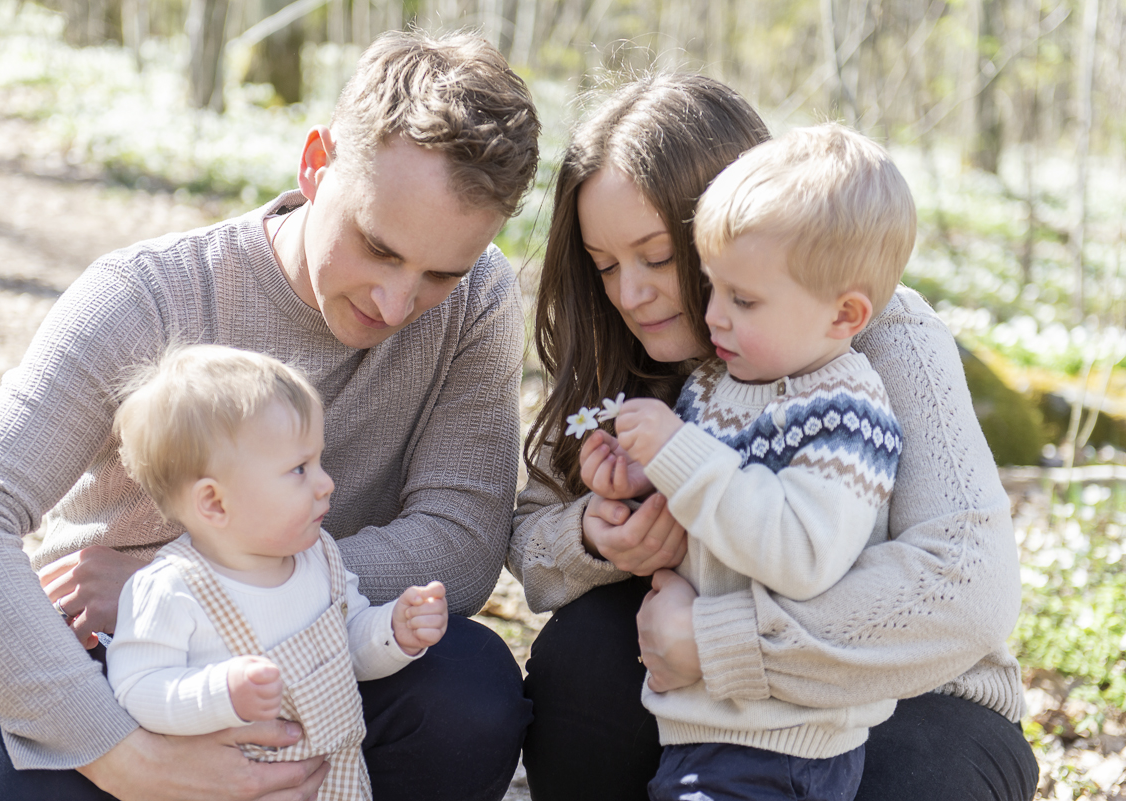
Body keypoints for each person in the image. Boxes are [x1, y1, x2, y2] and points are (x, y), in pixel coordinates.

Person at [0, 29, 538, 801]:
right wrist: (126, 758)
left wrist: (199, 581)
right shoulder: (148, 295)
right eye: (377, 248)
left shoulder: (478, 300)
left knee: (470, 695)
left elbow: (462, 541)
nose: (395, 304)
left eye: (437, 274)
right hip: (123, 650)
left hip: (326, 644)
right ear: (316, 163)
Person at [509, 73, 1037, 801]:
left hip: (908, 696)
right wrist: (597, 536)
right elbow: (533, 545)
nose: (628, 293)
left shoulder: (880, 336)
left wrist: (725, 642)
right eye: (605, 266)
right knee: (585, 655)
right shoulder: (623, 349)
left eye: (658, 257)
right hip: (707, 717)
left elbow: (969, 591)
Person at [576, 123, 912, 801]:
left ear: (844, 313)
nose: (715, 317)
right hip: (706, 720)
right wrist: (644, 475)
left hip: (787, 737)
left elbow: (798, 551)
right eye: (712, 287)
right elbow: (721, 497)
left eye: (744, 300)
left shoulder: (848, 410)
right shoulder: (719, 382)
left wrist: (681, 453)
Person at [107, 344, 449, 801]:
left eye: (318, 461)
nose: (326, 483)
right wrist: (220, 693)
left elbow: (344, 648)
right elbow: (137, 688)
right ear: (214, 502)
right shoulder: (170, 589)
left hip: (336, 784)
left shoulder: (319, 557)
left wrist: (393, 632)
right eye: (299, 469)